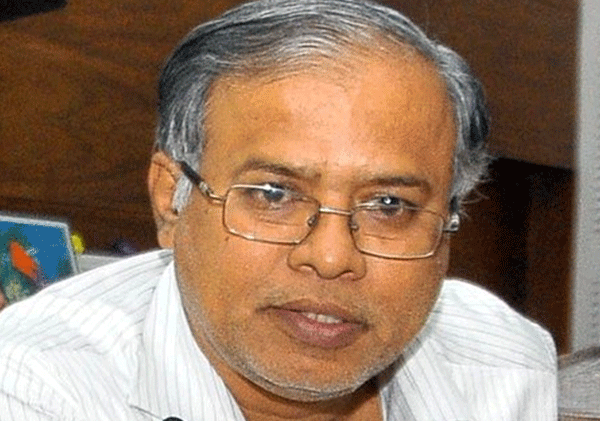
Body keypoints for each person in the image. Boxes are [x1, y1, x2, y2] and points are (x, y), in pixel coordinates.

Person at [0, 0, 557, 419]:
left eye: (389, 205)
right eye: (273, 194)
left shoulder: (503, 369)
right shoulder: (36, 387)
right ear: (171, 199)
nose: (332, 258)